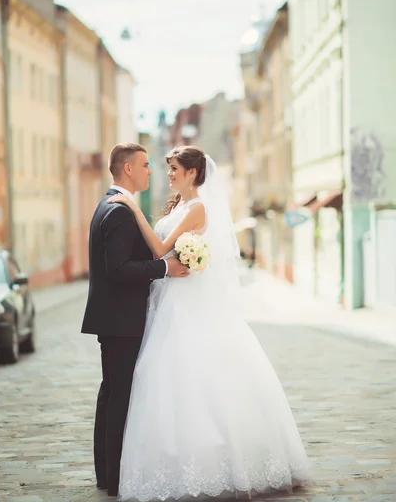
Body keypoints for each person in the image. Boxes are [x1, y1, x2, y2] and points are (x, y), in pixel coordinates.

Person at [108, 145, 311, 502]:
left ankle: (217, 462)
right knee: (168, 379)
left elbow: (159, 250)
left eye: (173, 169)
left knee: (194, 377)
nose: (167, 174)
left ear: (192, 173)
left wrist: (134, 209)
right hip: (170, 300)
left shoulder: (198, 207)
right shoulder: (179, 206)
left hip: (188, 303)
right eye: (167, 168)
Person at [81, 143, 188, 498]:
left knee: (110, 394)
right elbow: (119, 269)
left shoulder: (109, 205)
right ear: (128, 169)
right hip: (121, 320)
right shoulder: (120, 212)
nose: (151, 170)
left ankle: (106, 474)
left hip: (113, 319)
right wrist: (164, 268)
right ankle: (114, 479)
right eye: (145, 165)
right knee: (119, 396)